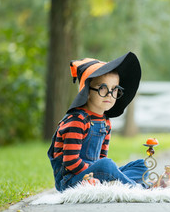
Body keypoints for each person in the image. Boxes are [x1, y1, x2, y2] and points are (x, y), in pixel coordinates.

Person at [47, 52, 147, 192]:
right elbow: (70, 161)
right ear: (87, 91)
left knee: (141, 166)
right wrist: (99, 171)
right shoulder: (76, 121)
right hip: (71, 179)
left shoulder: (105, 122)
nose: (109, 95)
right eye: (102, 88)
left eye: (114, 89)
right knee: (106, 165)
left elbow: (101, 157)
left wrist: (103, 172)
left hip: (95, 174)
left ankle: (117, 182)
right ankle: (135, 189)